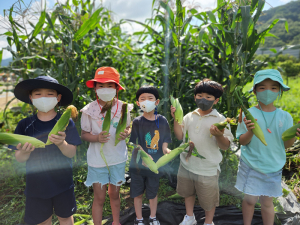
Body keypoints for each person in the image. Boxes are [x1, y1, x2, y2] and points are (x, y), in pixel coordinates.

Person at [12, 75, 82, 225]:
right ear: (31, 98)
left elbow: (71, 153)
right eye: (38, 94)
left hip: (63, 183)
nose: (44, 97)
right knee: (43, 221)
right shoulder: (24, 125)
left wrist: (62, 143)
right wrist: (24, 152)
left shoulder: (66, 122)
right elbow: (19, 158)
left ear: (58, 98)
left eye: (50, 94)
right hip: (36, 186)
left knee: (65, 218)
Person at [235, 69, 300, 225]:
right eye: (262, 87)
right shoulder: (246, 114)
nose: (268, 91)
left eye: (273, 88)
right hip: (251, 165)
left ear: (279, 91)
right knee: (249, 200)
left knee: (267, 202)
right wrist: (251, 131)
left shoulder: (285, 117)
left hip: (272, 166)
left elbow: (285, 145)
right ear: (255, 91)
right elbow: (242, 141)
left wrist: (293, 136)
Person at [171, 79, 234, 225]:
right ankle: (189, 217)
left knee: (208, 200)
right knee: (188, 193)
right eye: (199, 95)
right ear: (194, 97)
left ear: (216, 100)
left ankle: (208, 222)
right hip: (186, 164)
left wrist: (219, 135)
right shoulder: (188, 116)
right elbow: (180, 136)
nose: (203, 99)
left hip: (207, 169)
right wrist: (175, 120)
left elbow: (225, 146)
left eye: (208, 97)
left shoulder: (220, 120)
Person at [80, 67, 133, 225]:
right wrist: (96, 138)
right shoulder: (89, 110)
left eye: (110, 85)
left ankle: (116, 222)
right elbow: (84, 134)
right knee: (100, 197)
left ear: (116, 88)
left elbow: (127, 126)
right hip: (97, 161)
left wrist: (126, 133)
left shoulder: (123, 107)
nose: (105, 89)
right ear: (95, 88)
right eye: (101, 85)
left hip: (117, 159)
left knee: (115, 195)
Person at [129, 85, 172, 225]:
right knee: (138, 193)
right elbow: (134, 143)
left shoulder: (162, 120)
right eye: (142, 99)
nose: (146, 101)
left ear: (157, 102)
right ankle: (139, 219)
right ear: (138, 103)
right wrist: (144, 155)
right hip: (138, 165)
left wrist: (166, 150)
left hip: (155, 165)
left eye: (150, 98)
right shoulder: (137, 122)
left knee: (153, 192)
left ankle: (153, 217)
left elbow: (165, 139)